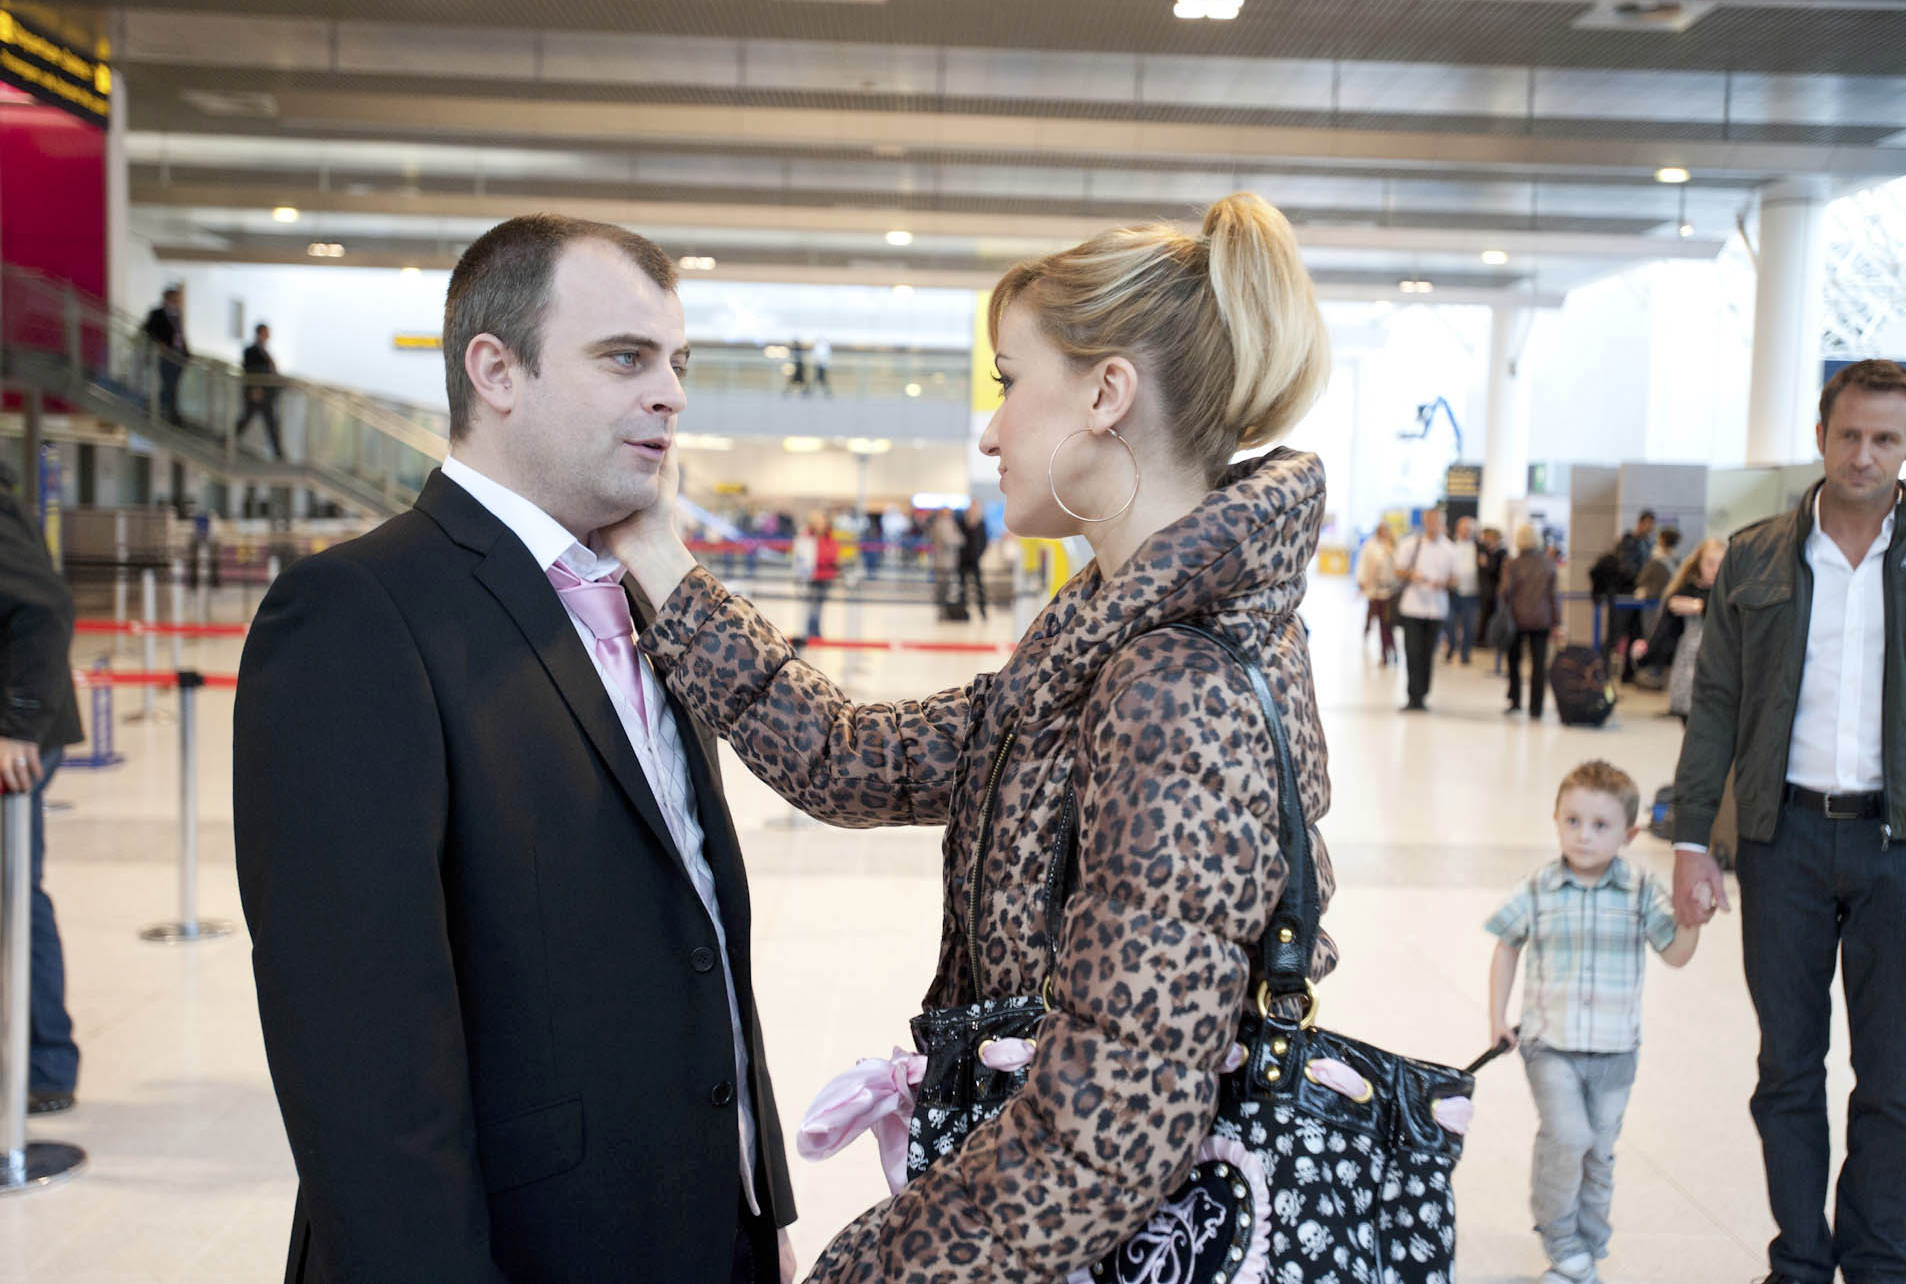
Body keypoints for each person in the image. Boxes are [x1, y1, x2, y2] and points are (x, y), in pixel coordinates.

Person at [604, 191, 1339, 1281]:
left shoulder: (1172, 680)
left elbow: (1109, 1129)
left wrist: (874, 1267)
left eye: (1007, 381)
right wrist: (656, 555)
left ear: (1105, 393)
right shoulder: (1103, 639)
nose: (991, 428)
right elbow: (856, 756)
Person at [234, 215, 796, 1284]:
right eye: (625, 358)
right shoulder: (358, 612)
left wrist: (753, 1197)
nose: (670, 392)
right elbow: (362, 1058)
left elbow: (698, 926)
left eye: (678, 362)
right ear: (494, 369)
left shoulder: (646, 592)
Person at [1671, 358, 1906, 1284]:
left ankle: (1882, 1262)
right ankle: (1800, 1260)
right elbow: (1718, 706)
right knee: (1788, 1070)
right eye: (1849, 434)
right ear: (1821, 437)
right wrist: (1695, 839)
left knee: (1896, 1080)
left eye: (1886, 439)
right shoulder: (1755, 556)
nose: (1865, 455)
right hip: (1784, 844)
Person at [1486, 760, 1700, 1284]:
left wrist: (1693, 922)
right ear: (1556, 819)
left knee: (1599, 1152)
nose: (1584, 835)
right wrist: (1497, 1017)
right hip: (1548, 1045)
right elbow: (1507, 946)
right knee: (1569, 1136)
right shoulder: (1538, 888)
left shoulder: (1640, 891)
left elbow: (1674, 953)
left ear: (1628, 834)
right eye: (1573, 821)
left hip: (1616, 1050)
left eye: (1601, 826)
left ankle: (1588, 1248)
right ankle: (1559, 1239)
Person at [0, 464, 84, 1115]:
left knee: (15, 895)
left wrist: (18, 724)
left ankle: (46, 1063)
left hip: (17, 734)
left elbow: (45, 606)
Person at [1631, 536, 1723, 714]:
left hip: (1720, 674)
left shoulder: (1731, 593)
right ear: (1698, 563)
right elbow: (1664, 631)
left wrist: (1700, 607)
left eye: (1721, 563)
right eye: (1710, 563)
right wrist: (1644, 652)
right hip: (1687, 672)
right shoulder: (1683, 591)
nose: (1715, 569)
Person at [1394, 507, 1456, 711]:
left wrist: (1445, 583)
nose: (1432, 525)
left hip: (1436, 609)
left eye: (1436, 521)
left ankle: (1423, 694)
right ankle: (1413, 695)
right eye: (1429, 521)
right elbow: (1398, 570)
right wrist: (1413, 576)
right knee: (1412, 652)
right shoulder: (1410, 545)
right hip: (1413, 607)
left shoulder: (1449, 548)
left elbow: (1455, 579)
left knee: (1428, 654)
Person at [1500, 520, 1562, 718]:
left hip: (1516, 620)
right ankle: (1537, 707)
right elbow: (1554, 597)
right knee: (1539, 664)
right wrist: (1557, 622)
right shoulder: (1548, 563)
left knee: (1514, 661)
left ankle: (1516, 701)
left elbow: (1505, 591)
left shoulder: (1512, 564)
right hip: (1542, 620)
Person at [1610, 510, 1656, 684]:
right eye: (1648, 524)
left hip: (1638, 596)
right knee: (1617, 633)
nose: (1650, 528)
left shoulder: (1646, 543)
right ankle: (1606, 673)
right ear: (1641, 523)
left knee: (1635, 632)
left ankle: (1628, 672)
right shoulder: (1628, 543)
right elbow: (1626, 568)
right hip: (1625, 594)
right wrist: (1642, 577)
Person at [236, 322, 286, 459]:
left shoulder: (264, 351)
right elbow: (252, 371)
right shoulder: (251, 350)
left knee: (265, 421)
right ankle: (278, 453)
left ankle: (278, 452)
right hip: (257, 393)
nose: (268, 336)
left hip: (266, 394)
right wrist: (255, 388)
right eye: (266, 332)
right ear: (260, 333)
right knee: (252, 420)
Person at [142, 285, 189, 426]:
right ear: (167, 299)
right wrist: (159, 342)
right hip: (166, 355)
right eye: (174, 298)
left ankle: (154, 408)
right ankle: (172, 416)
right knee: (170, 386)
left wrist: (187, 353)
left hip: (179, 354)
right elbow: (148, 329)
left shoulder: (178, 313)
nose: (177, 301)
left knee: (172, 386)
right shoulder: (157, 313)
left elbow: (180, 333)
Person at [1356, 521, 1399, 666]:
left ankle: (1391, 650)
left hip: (1390, 592)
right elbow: (1363, 563)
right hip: (1375, 591)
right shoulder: (1370, 546)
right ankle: (1384, 652)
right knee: (1378, 620)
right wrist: (1361, 581)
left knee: (1388, 624)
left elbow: (1399, 567)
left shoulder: (1393, 546)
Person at [1444, 515, 1481, 663]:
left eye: (1469, 529)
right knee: (1449, 622)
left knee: (1469, 625)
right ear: (1458, 529)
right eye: (1463, 528)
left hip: (1472, 593)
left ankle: (1465, 652)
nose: (1466, 531)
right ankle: (1451, 646)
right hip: (1453, 592)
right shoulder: (1450, 545)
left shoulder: (1478, 547)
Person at [799, 511, 840, 640]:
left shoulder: (830, 538)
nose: (819, 525)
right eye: (817, 522)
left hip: (825, 575)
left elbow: (832, 555)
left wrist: (819, 560)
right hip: (810, 575)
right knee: (811, 605)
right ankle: (810, 631)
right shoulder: (806, 537)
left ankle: (815, 631)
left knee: (819, 605)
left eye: (821, 522)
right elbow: (802, 554)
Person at [928, 504, 964, 619]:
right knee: (943, 588)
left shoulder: (944, 524)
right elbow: (954, 540)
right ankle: (942, 612)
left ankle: (943, 611)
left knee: (944, 587)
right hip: (944, 562)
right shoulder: (943, 524)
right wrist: (957, 539)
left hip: (945, 561)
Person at [957, 498, 989, 619]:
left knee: (979, 587)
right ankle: (963, 612)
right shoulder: (961, 521)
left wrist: (979, 554)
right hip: (963, 559)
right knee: (962, 588)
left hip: (975, 559)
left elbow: (984, 541)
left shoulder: (981, 523)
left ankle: (983, 611)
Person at [1476, 524, 1507, 647]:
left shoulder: (1501, 552)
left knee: (1494, 616)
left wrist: (1487, 564)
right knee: (1483, 616)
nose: (1485, 539)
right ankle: (1481, 640)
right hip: (1485, 590)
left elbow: (1496, 570)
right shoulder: (1483, 551)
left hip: (1496, 590)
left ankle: (1493, 640)